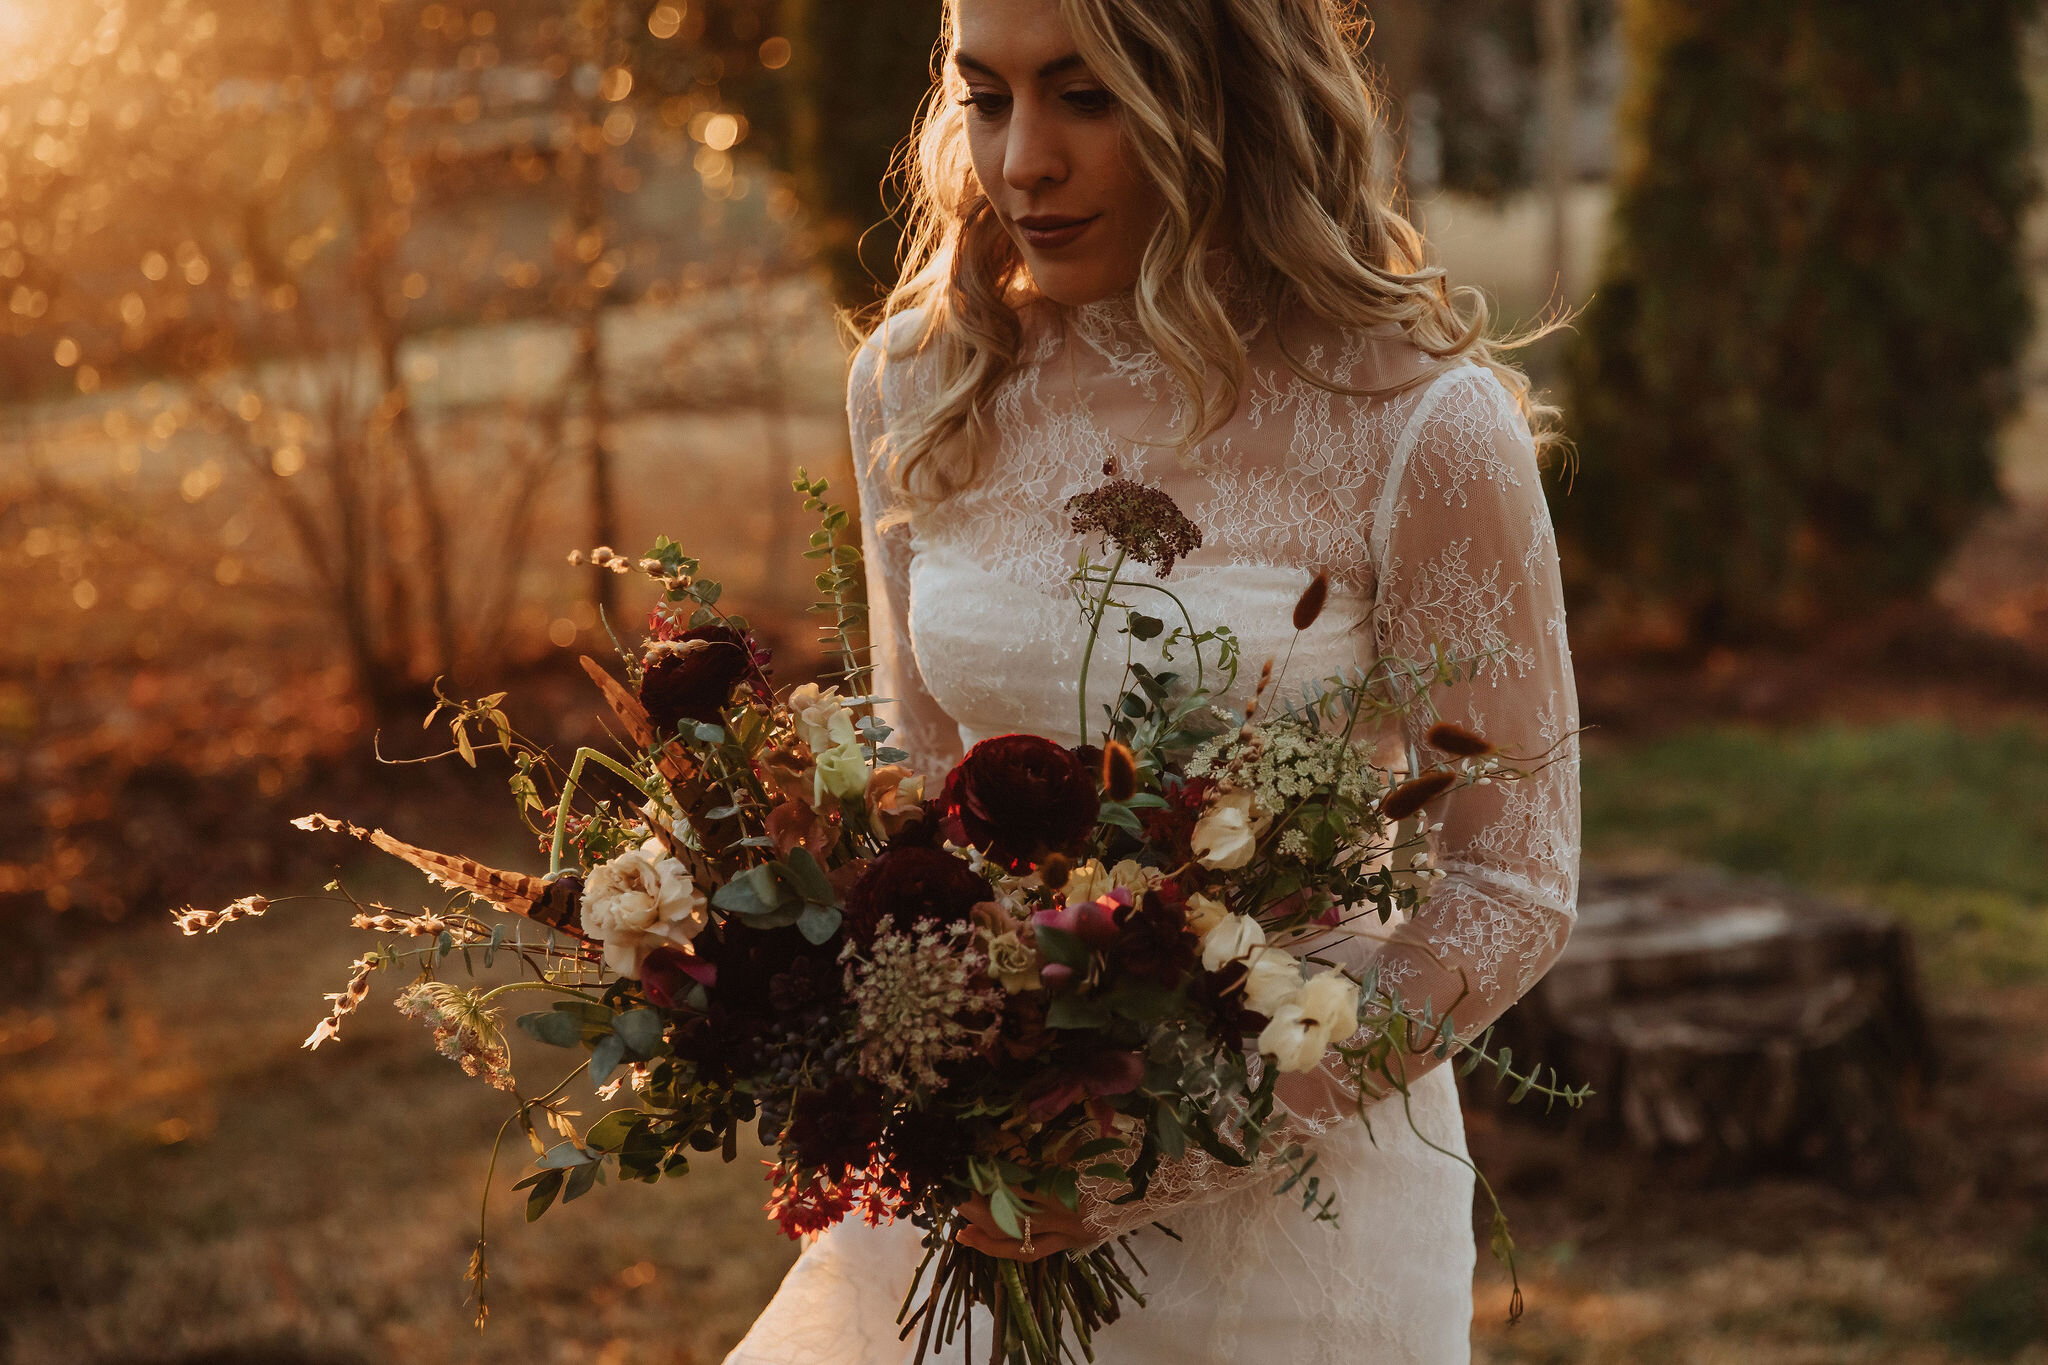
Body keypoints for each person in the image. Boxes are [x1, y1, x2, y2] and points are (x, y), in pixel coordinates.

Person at [724, 0, 1580, 1359]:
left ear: (1223, 95)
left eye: (1087, 97)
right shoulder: (922, 380)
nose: (1022, 161)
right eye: (986, 97)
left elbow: (1511, 884)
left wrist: (1171, 1142)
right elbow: (911, 803)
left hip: (1296, 1232)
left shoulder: (1417, 419)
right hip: (977, 1197)